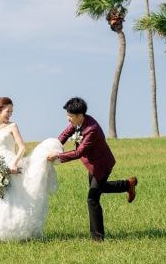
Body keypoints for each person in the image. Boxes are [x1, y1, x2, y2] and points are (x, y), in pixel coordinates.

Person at [0, 97, 62, 241]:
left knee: (10, 197)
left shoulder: (12, 126)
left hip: (9, 164)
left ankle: (11, 231)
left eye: (11, 111)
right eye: (7, 111)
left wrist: (14, 163)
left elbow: (22, 147)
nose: (10, 114)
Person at [47, 97, 137, 241]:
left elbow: (78, 153)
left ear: (79, 115)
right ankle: (128, 184)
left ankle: (98, 239)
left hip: (101, 165)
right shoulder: (78, 123)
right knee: (100, 188)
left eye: (70, 116)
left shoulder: (91, 129)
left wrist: (57, 156)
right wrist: (52, 146)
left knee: (92, 199)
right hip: (92, 164)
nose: (67, 118)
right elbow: (65, 134)